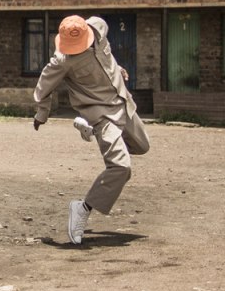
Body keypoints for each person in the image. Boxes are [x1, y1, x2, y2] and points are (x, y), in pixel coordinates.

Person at [32, 14, 151, 245]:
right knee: (121, 166)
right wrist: (41, 115)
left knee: (142, 145)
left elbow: (106, 56)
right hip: (101, 113)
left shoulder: (99, 27)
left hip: (123, 102)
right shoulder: (62, 60)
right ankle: (83, 208)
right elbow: (43, 87)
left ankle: (89, 128)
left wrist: (117, 67)